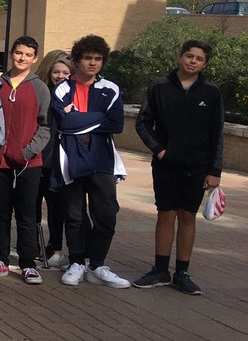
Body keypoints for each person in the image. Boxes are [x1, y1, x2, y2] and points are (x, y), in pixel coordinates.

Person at [132, 39, 224, 296]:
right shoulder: (159, 86)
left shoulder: (211, 92)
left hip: (197, 165)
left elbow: (217, 132)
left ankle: (182, 272)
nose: (193, 61)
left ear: (205, 64)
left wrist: (215, 170)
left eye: (199, 59)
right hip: (166, 165)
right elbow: (142, 123)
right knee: (166, 214)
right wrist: (160, 150)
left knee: (187, 216)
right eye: (189, 56)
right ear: (180, 56)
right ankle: (160, 270)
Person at [51, 34, 130, 289]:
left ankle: (98, 264)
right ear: (76, 60)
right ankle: (77, 262)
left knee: (106, 214)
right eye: (87, 58)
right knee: (74, 215)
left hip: (101, 158)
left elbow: (116, 124)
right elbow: (64, 123)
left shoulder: (111, 88)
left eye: (98, 59)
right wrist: (97, 118)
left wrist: (79, 118)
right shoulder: (62, 88)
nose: (93, 63)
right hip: (71, 158)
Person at [0, 36, 51, 285]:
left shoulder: (39, 88)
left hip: (28, 163)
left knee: (27, 214)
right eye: (18, 53)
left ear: (35, 58)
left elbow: (45, 127)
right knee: (0, 212)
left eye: (28, 55)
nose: (22, 58)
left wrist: (27, 152)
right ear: (11, 54)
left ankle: (28, 264)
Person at [35, 50, 73, 269]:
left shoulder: (71, 95)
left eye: (66, 72)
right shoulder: (41, 92)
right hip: (38, 157)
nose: (60, 76)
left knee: (57, 208)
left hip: (61, 162)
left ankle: (55, 246)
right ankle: (33, 246)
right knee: (32, 207)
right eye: (56, 71)